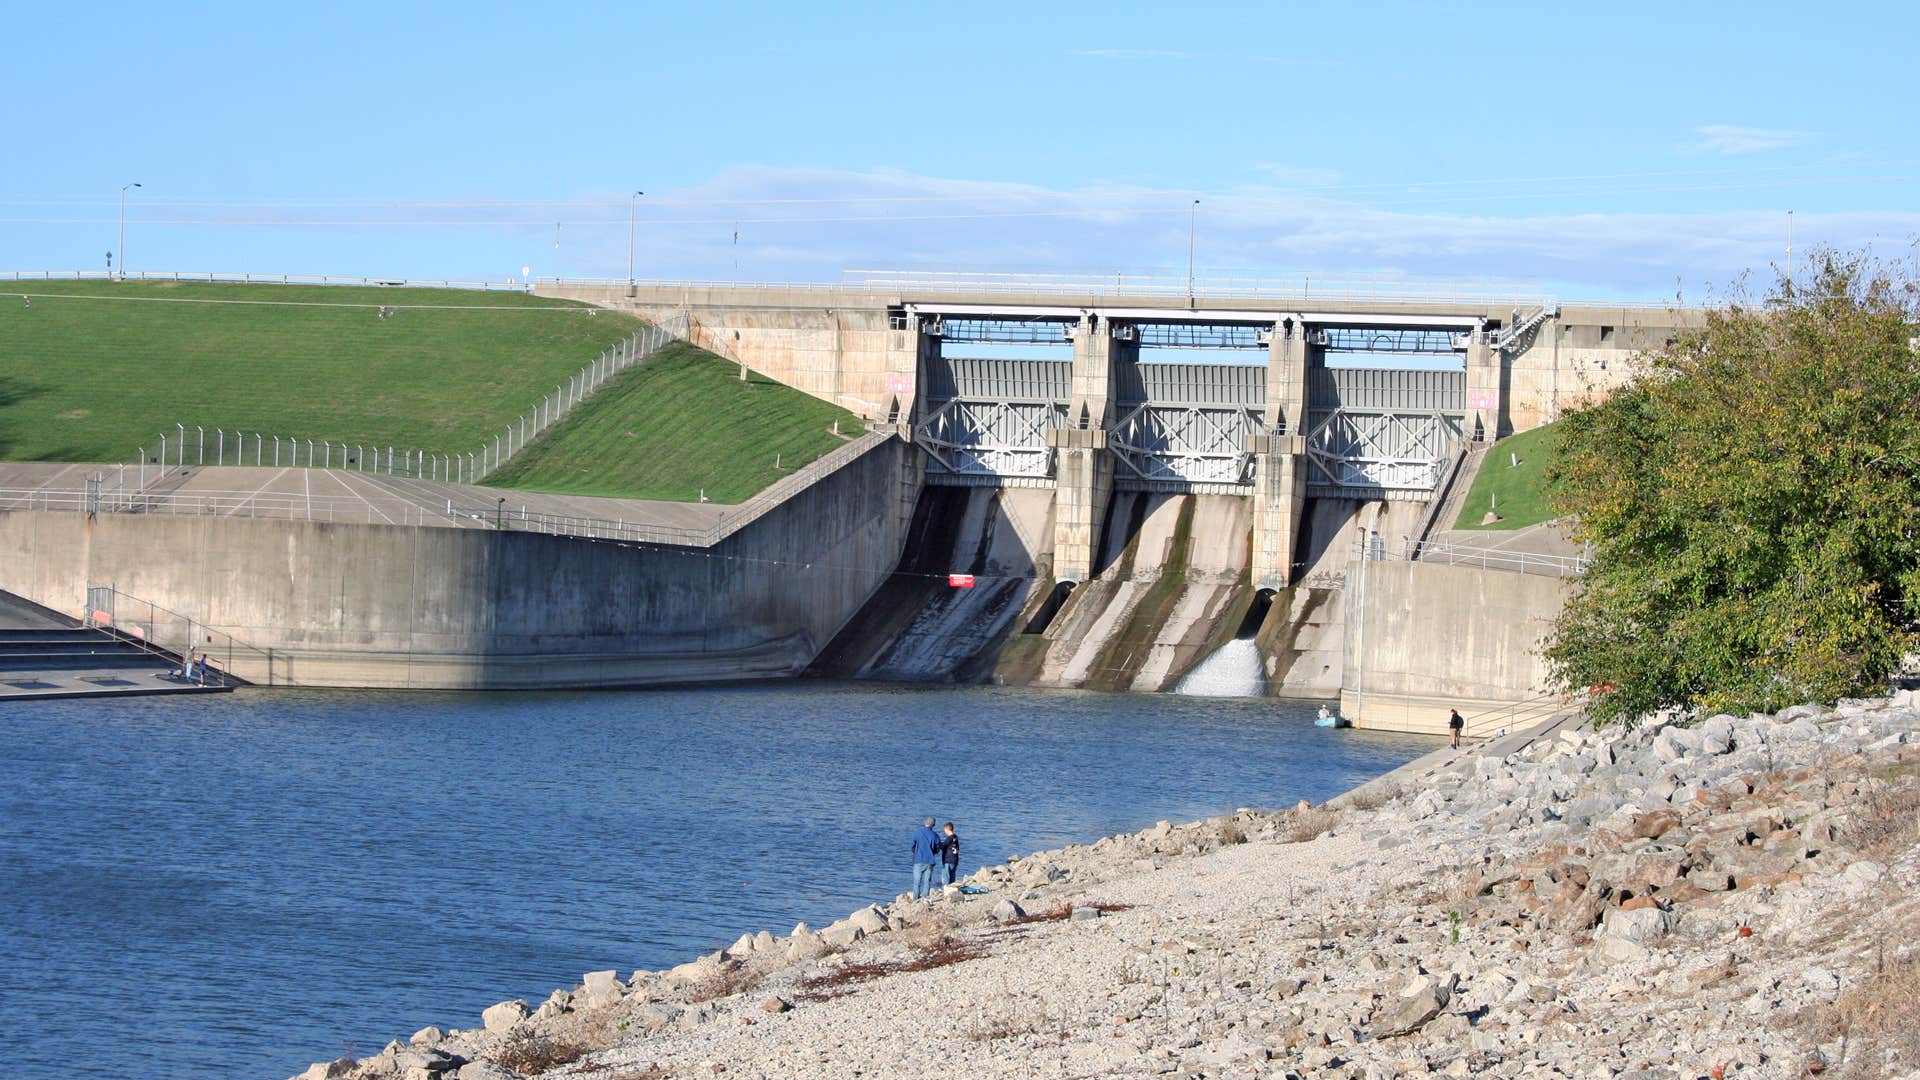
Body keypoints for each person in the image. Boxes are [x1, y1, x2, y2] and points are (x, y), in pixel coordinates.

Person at [910, 817, 941, 899]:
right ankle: (926, 898)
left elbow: (912, 845)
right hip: (930, 860)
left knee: (917, 881)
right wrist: (933, 852)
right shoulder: (935, 835)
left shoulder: (917, 832)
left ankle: (916, 899)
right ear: (933, 825)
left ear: (925, 823)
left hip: (919, 860)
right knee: (927, 881)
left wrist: (915, 852)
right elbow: (938, 848)